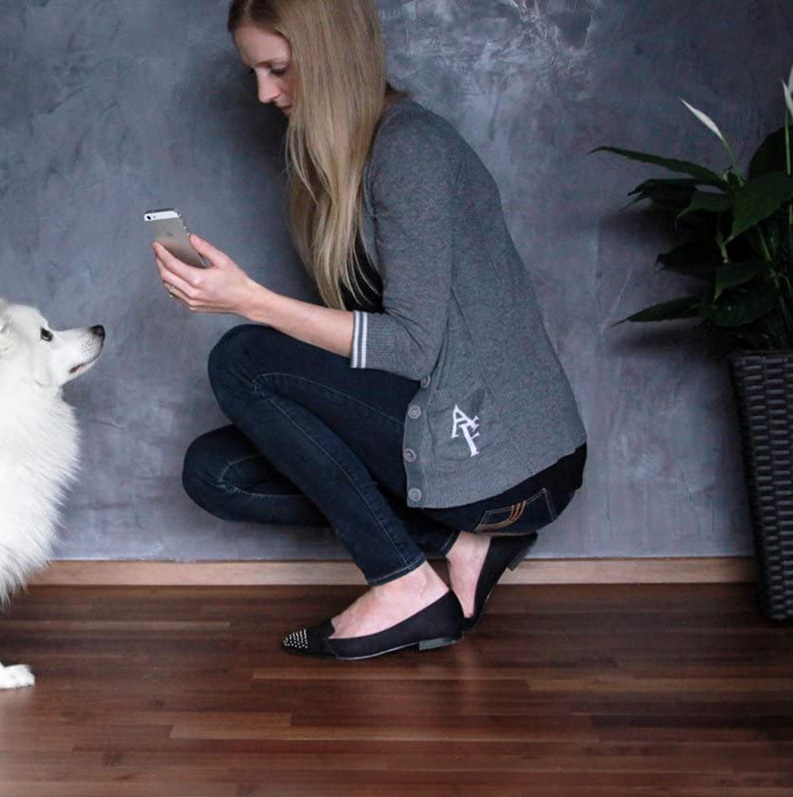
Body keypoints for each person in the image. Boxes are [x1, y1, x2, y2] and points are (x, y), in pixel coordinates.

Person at [153, 0, 588, 660]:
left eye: (277, 69)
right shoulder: (341, 162)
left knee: (243, 358)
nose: (265, 94)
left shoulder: (410, 149)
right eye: (255, 74)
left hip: (513, 460)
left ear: (330, 56)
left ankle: (404, 585)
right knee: (214, 472)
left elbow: (410, 347)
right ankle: (460, 544)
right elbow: (363, 364)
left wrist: (250, 302)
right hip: (444, 426)